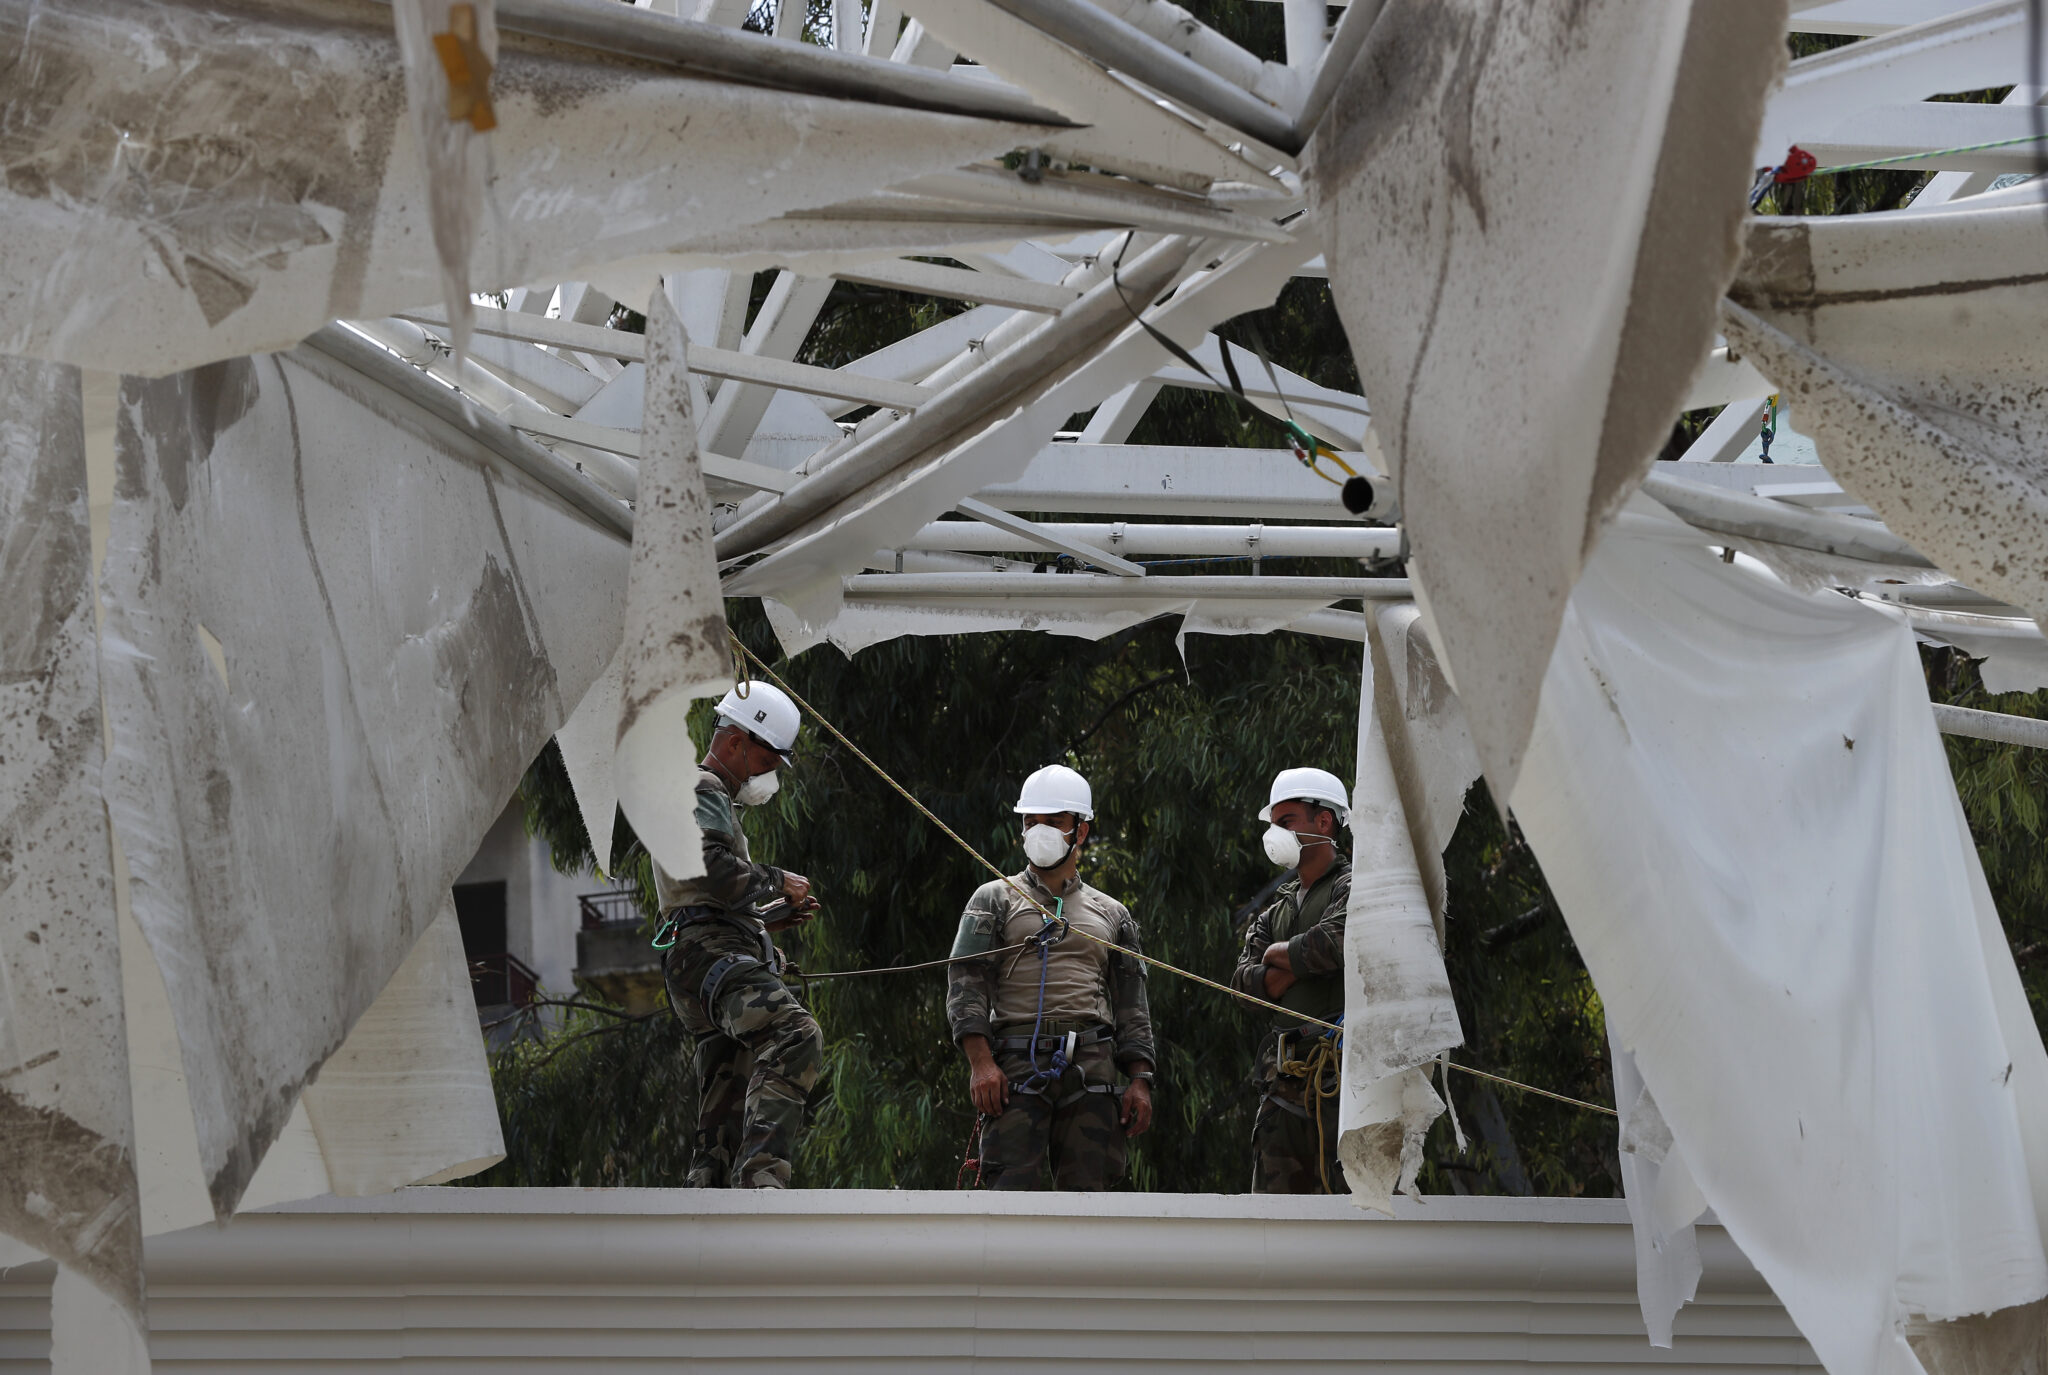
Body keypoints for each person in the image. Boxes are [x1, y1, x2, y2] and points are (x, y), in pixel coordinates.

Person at [946, 765, 1156, 1190]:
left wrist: (1140, 1079)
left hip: (1093, 1065)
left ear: (1080, 831)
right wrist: (980, 1064)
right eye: (1030, 821)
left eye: (1054, 822)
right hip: (1016, 1065)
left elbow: (1133, 1004)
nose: (1039, 830)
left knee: (1094, 1201)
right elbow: (965, 985)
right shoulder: (994, 897)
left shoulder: (1112, 912)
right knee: (1007, 1196)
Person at [656, 680, 823, 1189]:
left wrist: (765, 921)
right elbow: (708, 867)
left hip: (698, 958)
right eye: (766, 763)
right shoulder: (703, 787)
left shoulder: (706, 797)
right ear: (735, 742)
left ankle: (706, 1186)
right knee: (795, 1034)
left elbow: (704, 892)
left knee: (728, 1080)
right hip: (709, 954)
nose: (766, 778)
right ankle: (761, 1178)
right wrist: (778, 880)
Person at [1231, 767, 1353, 1194]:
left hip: (1342, 1086)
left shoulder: (1354, 886)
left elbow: (1333, 943)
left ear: (1324, 822)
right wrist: (1292, 964)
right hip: (1281, 1085)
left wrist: (1275, 956)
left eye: (1286, 823)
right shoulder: (1275, 911)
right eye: (1274, 824)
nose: (1275, 834)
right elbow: (1243, 988)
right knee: (1275, 1223)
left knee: (1350, 1213)